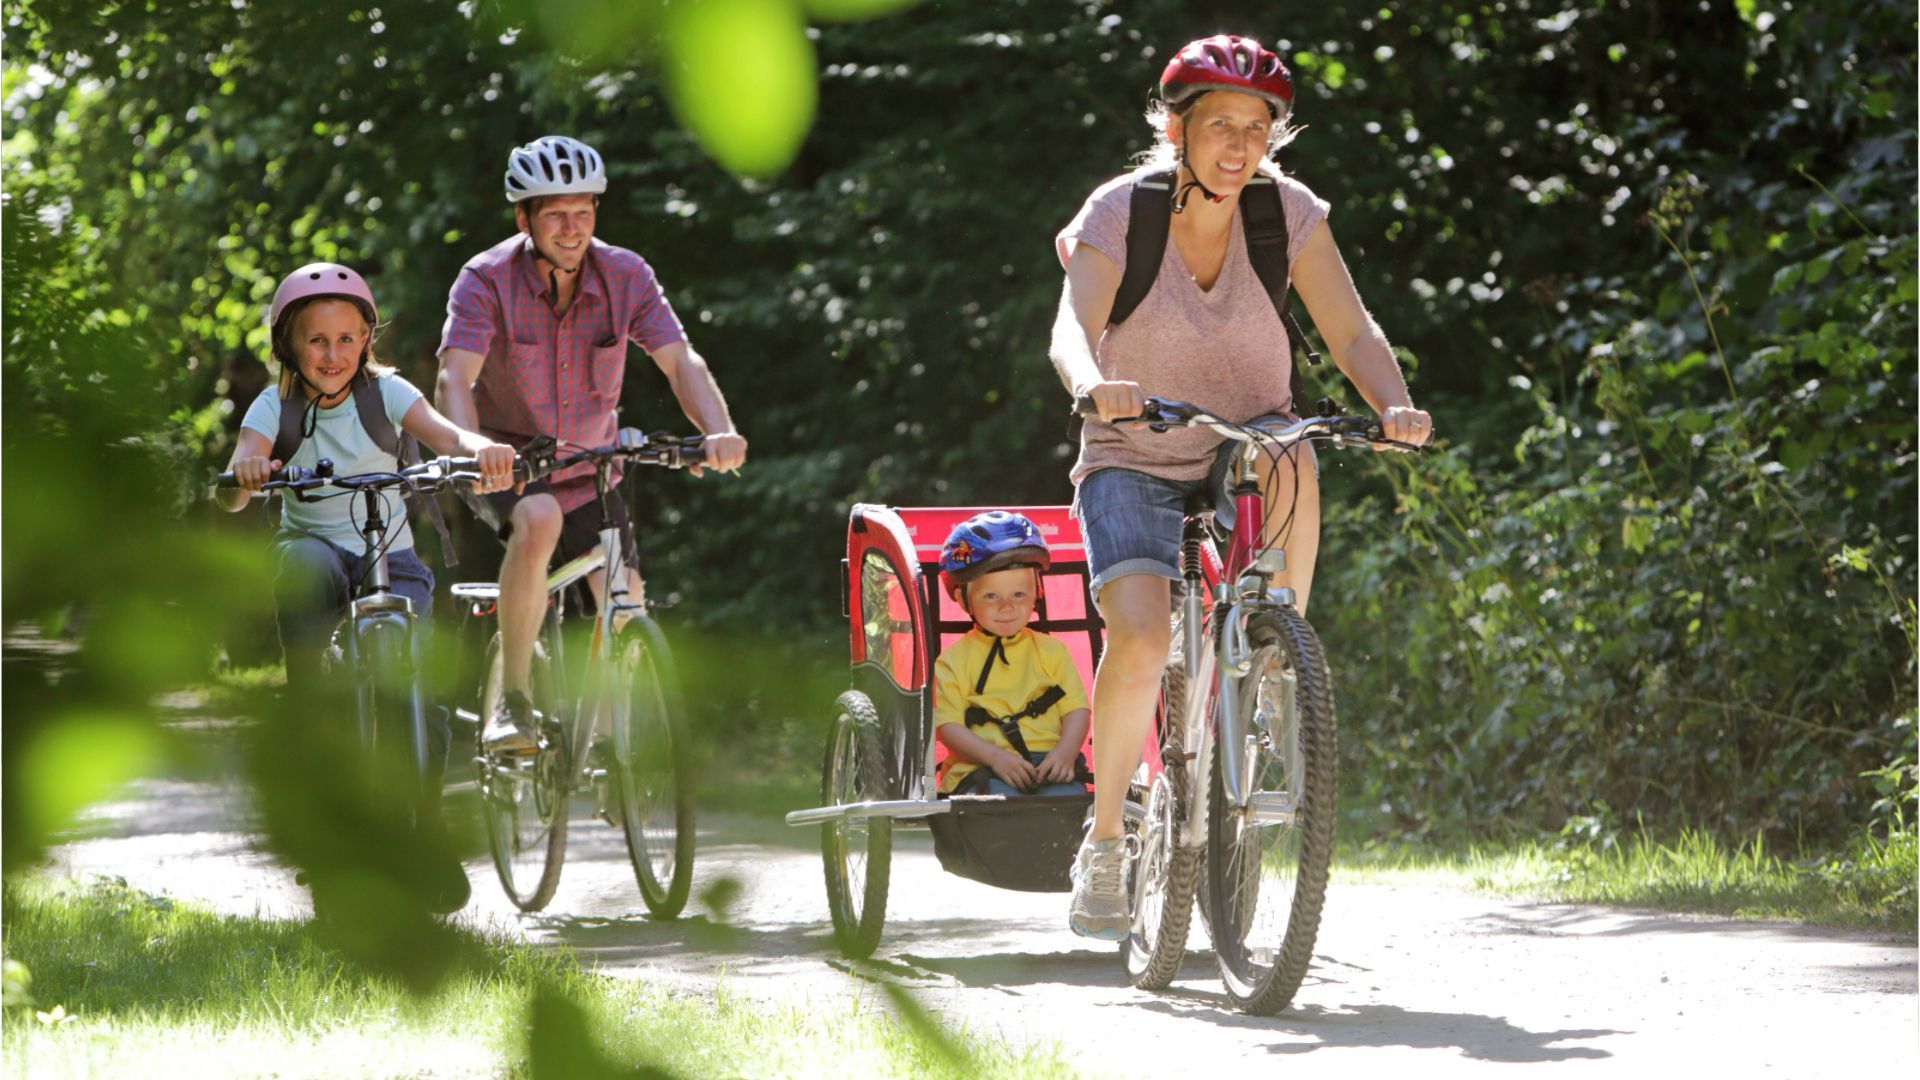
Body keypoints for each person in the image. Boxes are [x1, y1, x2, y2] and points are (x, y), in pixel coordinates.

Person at [1049, 35, 1434, 939]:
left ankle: (1271, 644)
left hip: (1248, 441)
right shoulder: (1123, 211)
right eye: (1219, 123)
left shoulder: (1285, 212)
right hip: (1134, 450)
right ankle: (1106, 839)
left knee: (1296, 444)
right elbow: (1072, 322)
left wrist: (1395, 404)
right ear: (1174, 126)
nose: (1239, 144)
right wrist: (1089, 382)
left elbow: (1351, 329)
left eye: (1256, 127)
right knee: (1141, 637)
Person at [434, 135, 749, 752]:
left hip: (592, 466)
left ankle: (612, 749)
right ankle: (513, 702)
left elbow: (679, 361)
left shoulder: (627, 275)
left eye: (583, 211)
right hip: (509, 467)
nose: (572, 228)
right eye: (555, 214)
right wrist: (473, 451)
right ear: (524, 218)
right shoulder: (485, 279)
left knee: (624, 600)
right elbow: (454, 376)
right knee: (541, 517)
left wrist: (719, 431)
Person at [218, 263, 517, 913]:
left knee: (426, 686)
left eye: (348, 339)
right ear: (289, 346)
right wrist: (245, 474)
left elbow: (446, 434)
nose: (333, 354)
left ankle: (425, 824)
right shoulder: (277, 406)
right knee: (302, 571)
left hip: (390, 552)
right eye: (316, 340)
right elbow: (244, 475)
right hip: (315, 550)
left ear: (367, 341)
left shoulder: (387, 393)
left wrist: (481, 450)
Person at [933, 512, 1092, 798]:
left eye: (1019, 595)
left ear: (1037, 593)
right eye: (991, 596)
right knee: (997, 805)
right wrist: (995, 757)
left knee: (1068, 801)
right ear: (962, 599)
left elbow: (1076, 709)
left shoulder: (1052, 651)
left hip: (1050, 762)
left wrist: (1066, 753)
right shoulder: (953, 661)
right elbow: (948, 727)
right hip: (981, 766)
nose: (1006, 607)